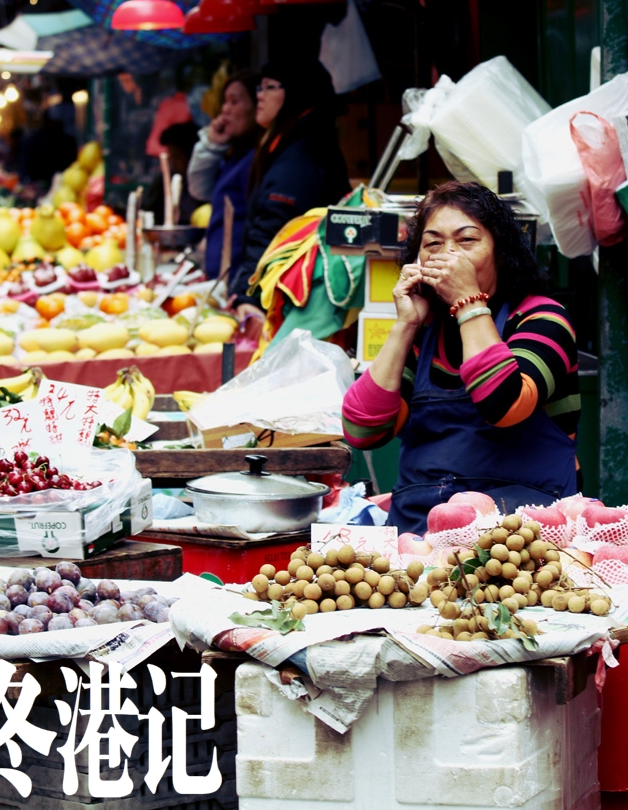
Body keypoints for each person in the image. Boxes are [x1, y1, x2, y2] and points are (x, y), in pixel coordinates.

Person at [342, 181, 580, 535]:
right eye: (433, 244)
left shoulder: (542, 319)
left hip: (519, 543)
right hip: (419, 539)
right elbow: (362, 431)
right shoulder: (424, 334)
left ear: (500, 252)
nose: (448, 255)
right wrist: (406, 324)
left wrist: (469, 301)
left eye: (467, 240)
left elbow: (504, 404)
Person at [230, 60, 350, 316]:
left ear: (295, 93)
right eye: (258, 89)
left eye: (268, 88)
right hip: (296, 292)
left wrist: (249, 294)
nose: (259, 96)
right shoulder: (296, 142)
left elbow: (272, 227)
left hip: (291, 298)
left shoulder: (301, 154)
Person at [187, 70, 261, 280]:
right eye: (224, 102)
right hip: (219, 276)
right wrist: (211, 146)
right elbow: (199, 189)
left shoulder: (255, 161)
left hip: (239, 278)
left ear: (257, 107)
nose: (225, 110)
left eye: (234, 101)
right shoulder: (232, 157)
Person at [142, 122, 199, 225]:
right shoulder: (162, 185)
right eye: (171, 156)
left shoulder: (204, 187)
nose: (172, 163)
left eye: (177, 157)